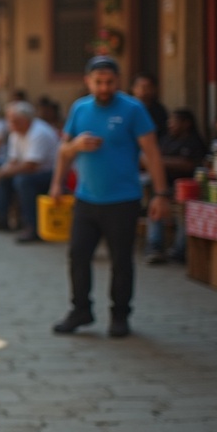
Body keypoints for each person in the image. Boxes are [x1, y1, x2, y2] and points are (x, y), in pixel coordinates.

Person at [49, 55, 168, 339]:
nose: (104, 88)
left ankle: (120, 315)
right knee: (78, 256)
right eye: (98, 82)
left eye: (109, 82)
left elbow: (151, 152)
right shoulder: (80, 109)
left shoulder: (133, 109)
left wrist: (162, 194)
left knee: (121, 261)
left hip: (123, 199)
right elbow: (64, 151)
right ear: (88, 82)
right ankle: (80, 309)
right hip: (86, 199)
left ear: (118, 82)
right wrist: (57, 182)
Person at [0, 101, 59, 243]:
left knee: (22, 181)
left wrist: (0, 173)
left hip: (50, 173)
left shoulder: (39, 132)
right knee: (4, 176)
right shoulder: (16, 131)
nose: (10, 124)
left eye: (14, 120)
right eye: (9, 120)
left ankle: (32, 227)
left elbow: (31, 165)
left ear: (25, 120)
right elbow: (13, 161)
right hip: (30, 170)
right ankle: (2, 219)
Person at [145, 108, 208, 264]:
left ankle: (179, 251)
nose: (170, 125)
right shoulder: (166, 139)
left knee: (183, 211)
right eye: (169, 121)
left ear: (186, 124)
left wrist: (158, 161)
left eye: (174, 122)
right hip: (164, 186)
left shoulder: (194, 141)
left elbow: (188, 165)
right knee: (155, 207)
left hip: (188, 189)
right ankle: (155, 248)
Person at [131, 72, 168, 139]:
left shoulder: (159, 111)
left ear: (154, 89)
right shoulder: (126, 108)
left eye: (147, 87)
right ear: (133, 88)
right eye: (139, 86)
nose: (143, 90)